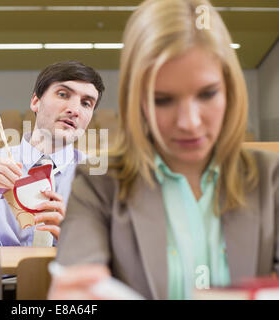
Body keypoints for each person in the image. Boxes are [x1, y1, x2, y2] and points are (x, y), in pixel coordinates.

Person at [49, 0, 279, 300]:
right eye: (163, 100)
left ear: (231, 88)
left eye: (207, 94)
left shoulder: (271, 177)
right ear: (138, 100)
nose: (189, 122)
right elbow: (78, 283)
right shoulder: (97, 183)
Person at [0, 61, 105, 246]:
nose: (74, 110)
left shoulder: (103, 180)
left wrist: (75, 239)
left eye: (86, 103)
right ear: (35, 102)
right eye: (63, 94)